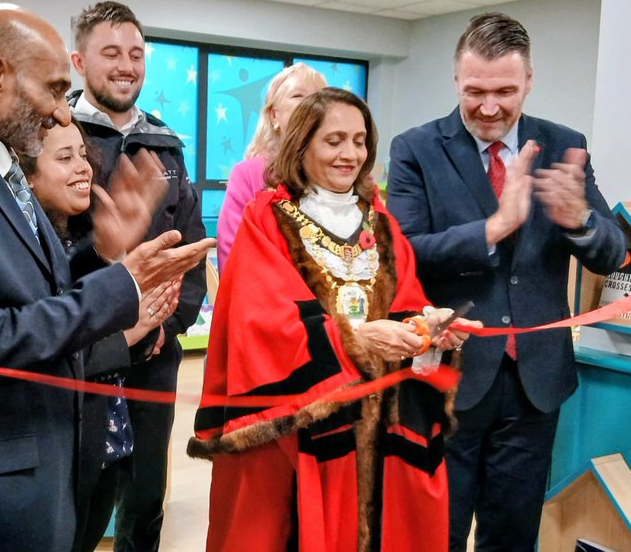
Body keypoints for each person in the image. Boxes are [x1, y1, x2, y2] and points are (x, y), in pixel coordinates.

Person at [0, 4, 213, 550]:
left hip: (43, 456)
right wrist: (121, 282)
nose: (61, 113)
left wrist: (99, 250)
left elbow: (30, 293)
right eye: (54, 90)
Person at [189, 87, 477, 551]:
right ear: (302, 145)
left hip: (381, 424)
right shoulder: (267, 217)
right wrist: (356, 340)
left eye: (360, 141)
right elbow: (260, 322)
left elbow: (406, 302)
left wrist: (430, 331)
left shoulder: (380, 222)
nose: (351, 154)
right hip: (304, 431)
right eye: (335, 140)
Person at [386, 13, 628, 550]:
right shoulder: (416, 149)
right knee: (437, 533)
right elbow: (402, 254)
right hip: (446, 378)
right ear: (456, 81)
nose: (489, 107)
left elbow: (613, 254)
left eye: (505, 91)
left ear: (529, 83)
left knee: (513, 535)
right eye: (475, 91)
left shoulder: (564, 145)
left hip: (535, 384)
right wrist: (493, 229)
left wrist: (580, 222)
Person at [67, 2, 207, 550]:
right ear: (80, 60)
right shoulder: (57, 136)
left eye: (135, 54)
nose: (126, 66)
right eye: (110, 54)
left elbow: (191, 256)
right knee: (80, 498)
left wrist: (163, 331)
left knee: (146, 496)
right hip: (83, 354)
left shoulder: (167, 145)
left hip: (154, 358)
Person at [21, 122, 179, 551]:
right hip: (63, 450)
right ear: (26, 174)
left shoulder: (78, 237)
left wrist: (113, 258)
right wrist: (130, 335)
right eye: (64, 157)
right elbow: (43, 349)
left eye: (83, 156)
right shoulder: (24, 249)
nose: (83, 169)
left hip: (105, 443)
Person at [216, 62, 327, 271]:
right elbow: (233, 260)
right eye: (298, 96)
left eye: (320, 97)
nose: (312, 105)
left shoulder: (342, 177)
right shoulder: (248, 175)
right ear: (274, 116)